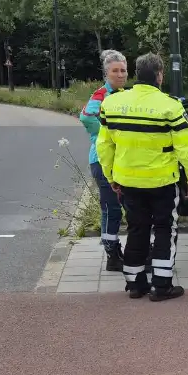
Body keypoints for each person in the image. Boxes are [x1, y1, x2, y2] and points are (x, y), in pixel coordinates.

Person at [97, 52, 188, 301]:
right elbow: (186, 150)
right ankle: (162, 286)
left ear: (136, 74)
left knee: (136, 228)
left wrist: (110, 175)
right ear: (159, 75)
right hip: (162, 181)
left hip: (128, 181)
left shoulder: (112, 104)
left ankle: (135, 285)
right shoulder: (170, 106)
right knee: (165, 228)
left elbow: (105, 145)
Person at [80, 50, 129, 272]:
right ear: (106, 73)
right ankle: (112, 254)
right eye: (115, 71)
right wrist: (108, 136)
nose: (120, 75)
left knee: (124, 207)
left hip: (120, 161)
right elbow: (87, 117)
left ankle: (117, 251)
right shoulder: (102, 94)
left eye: (123, 70)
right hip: (102, 160)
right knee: (111, 208)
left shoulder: (123, 94)